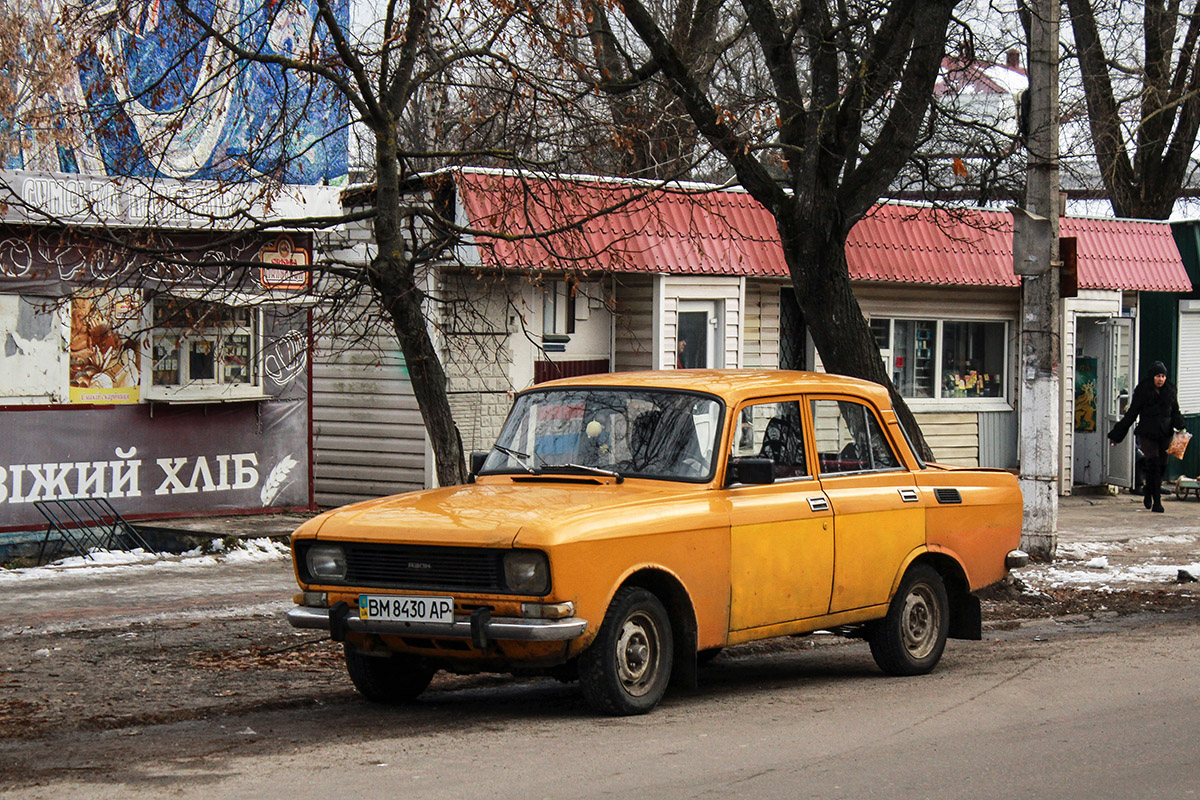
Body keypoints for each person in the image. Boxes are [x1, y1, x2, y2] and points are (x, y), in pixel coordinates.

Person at [1108, 361, 1184, 512]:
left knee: (1162, 467)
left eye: (1162, 376)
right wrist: (1117, 434)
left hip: (1165, 433)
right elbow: (1132, 414)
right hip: (1147, 433)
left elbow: (1175, 410)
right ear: (1152, 377)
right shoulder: (1143, 391)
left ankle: (1148, 490)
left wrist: (1180, 426)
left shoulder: (1169, 390)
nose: (1160, 379)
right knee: (1154, 465)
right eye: (1158, 376)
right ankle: (1157, 501)